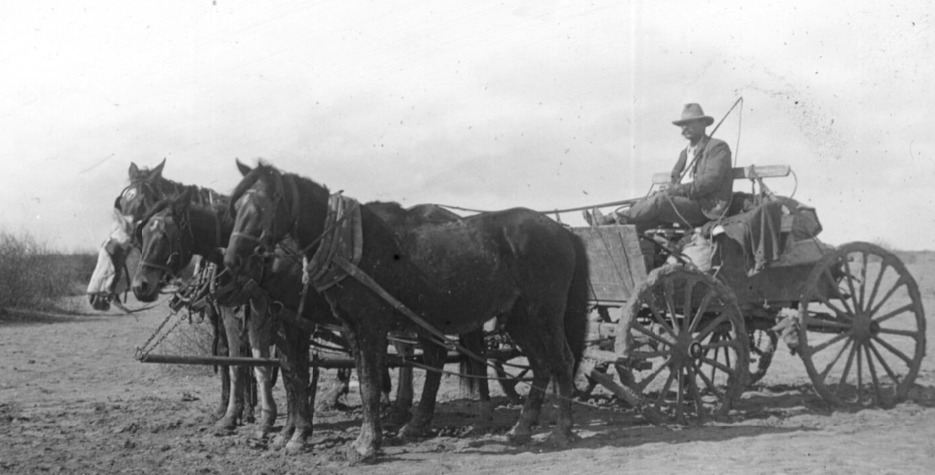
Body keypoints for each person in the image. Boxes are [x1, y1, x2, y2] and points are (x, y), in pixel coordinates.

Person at [586, 103, 733, 232]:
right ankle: (609, 229)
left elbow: (711, 181)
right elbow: (676, 181)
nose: (685, 127)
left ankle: (612, 218)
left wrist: (678, 190)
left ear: (703, 124)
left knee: (661, 201)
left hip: (706, 209)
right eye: (682, 124)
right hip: (685, 204)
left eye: (690, 123)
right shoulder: (685, 153)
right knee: (647, 204)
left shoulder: (717, 147)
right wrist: (669, 189)